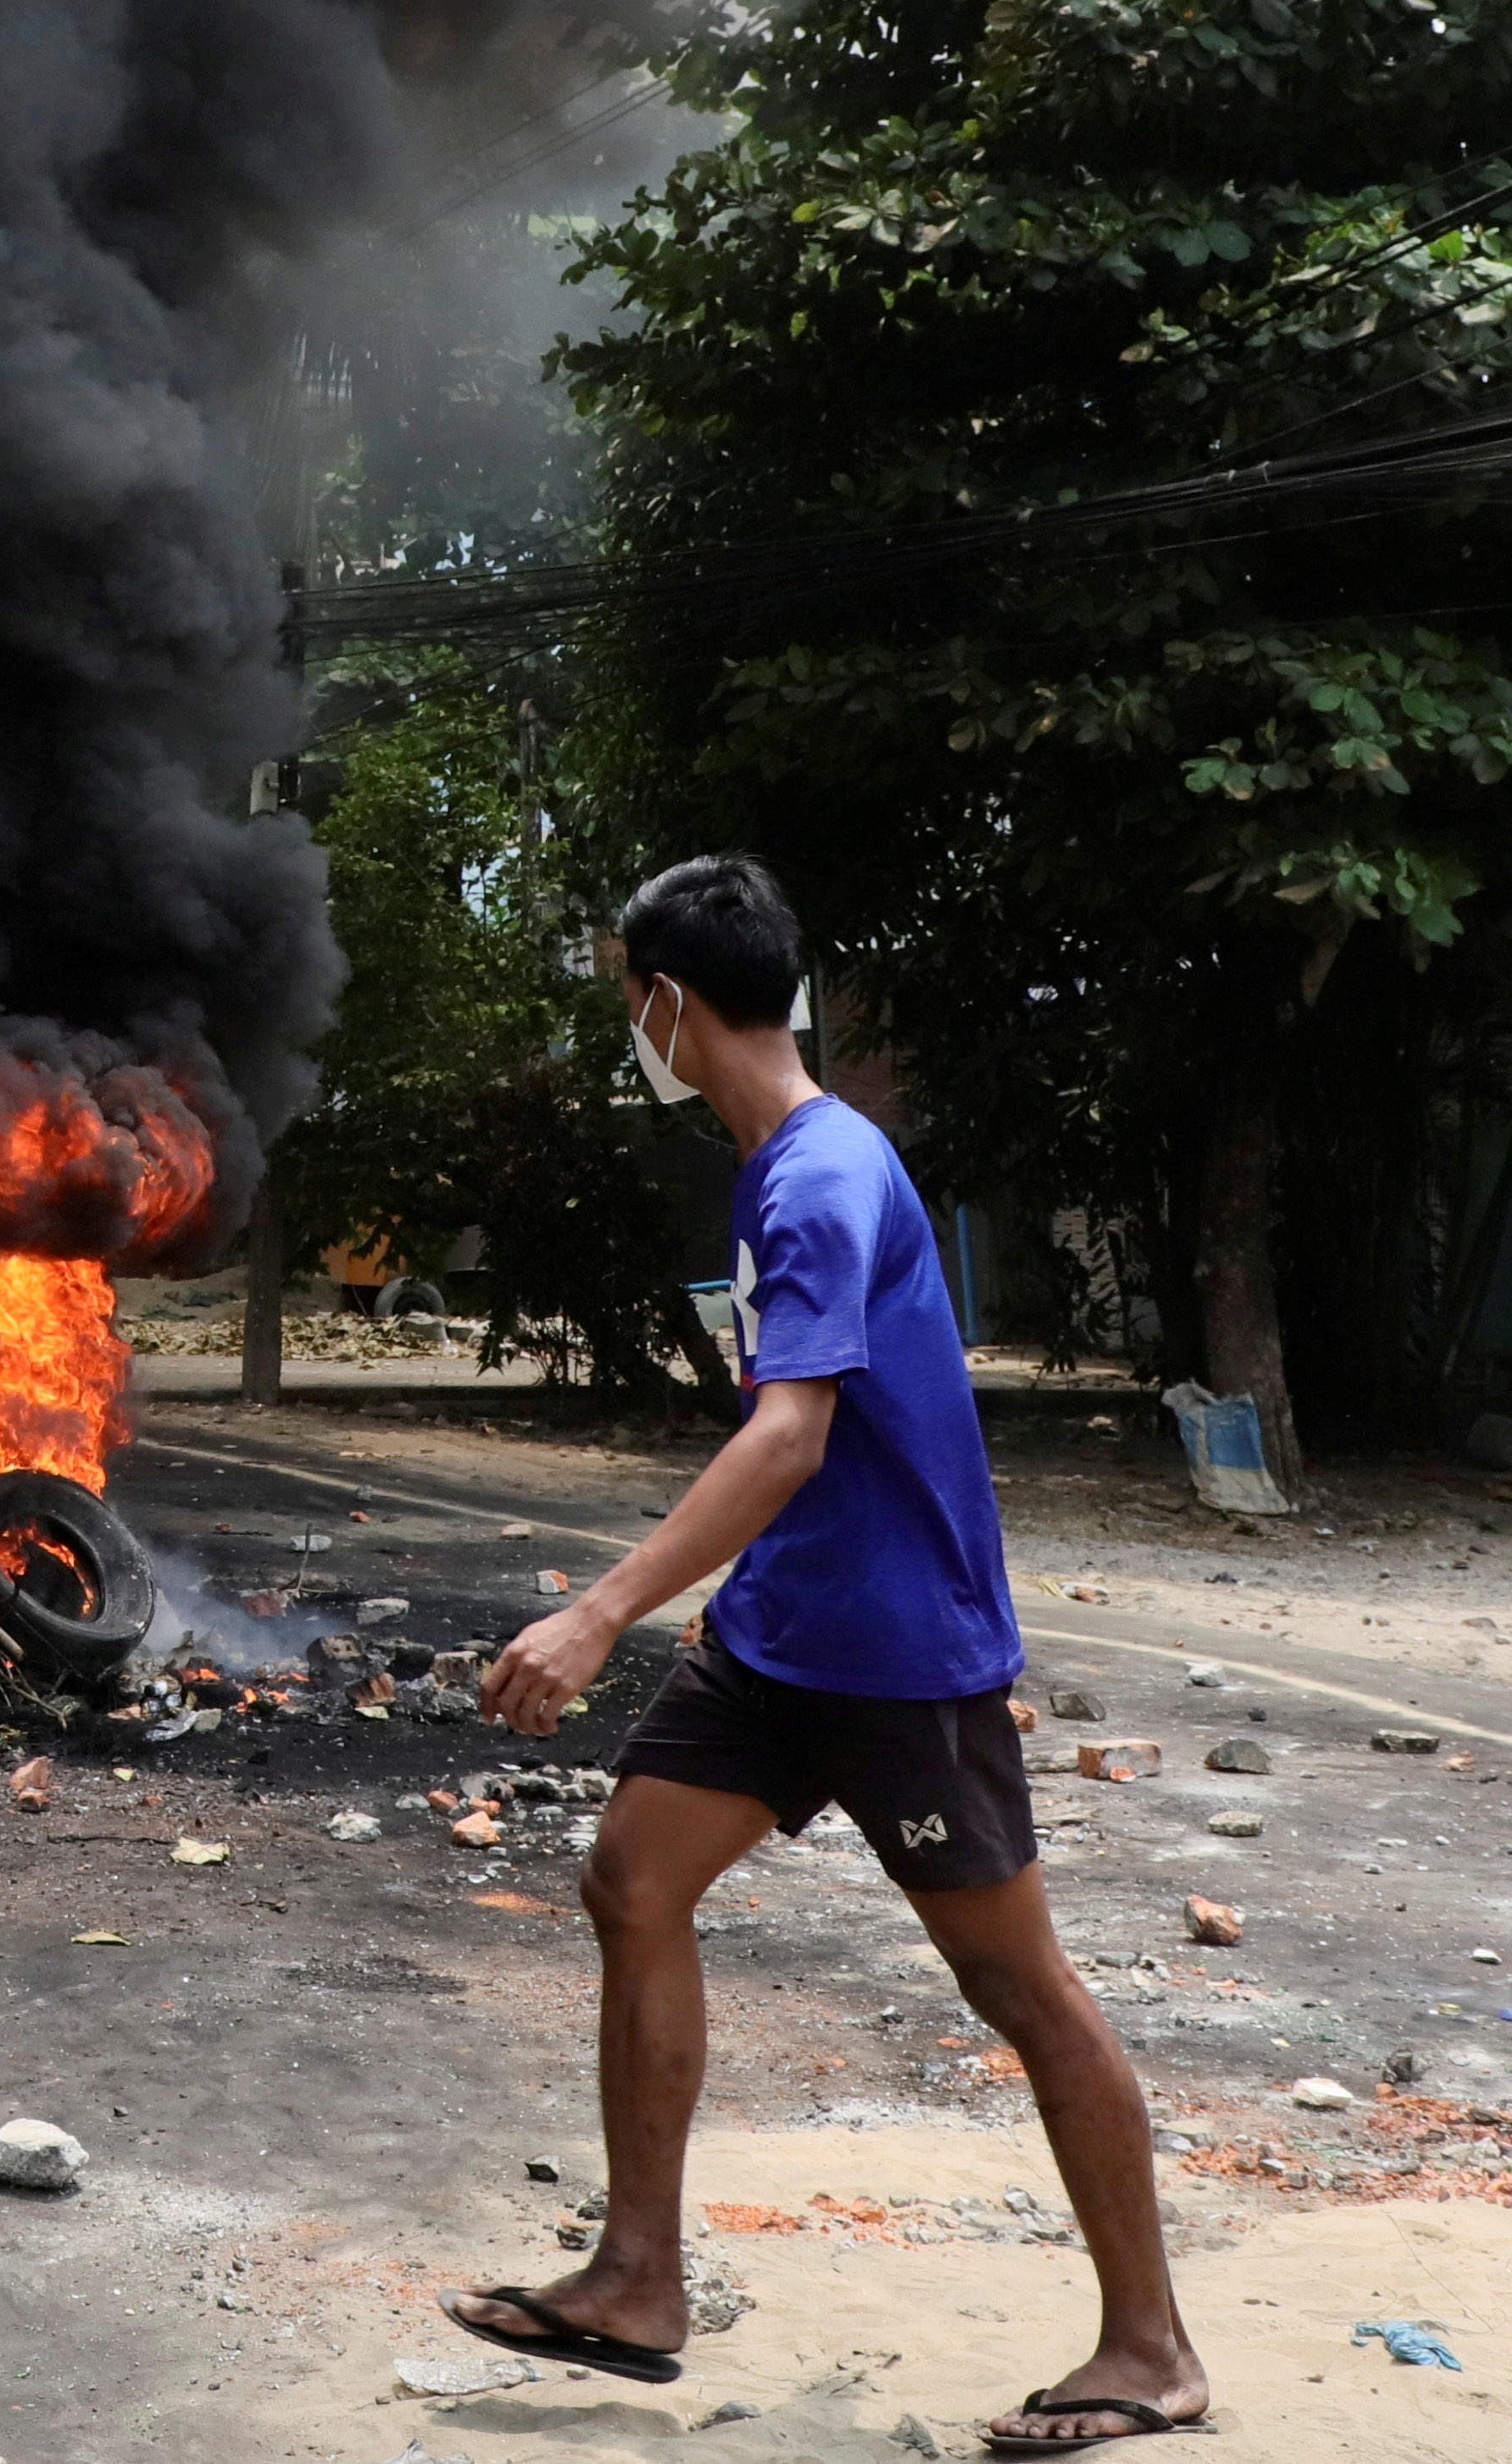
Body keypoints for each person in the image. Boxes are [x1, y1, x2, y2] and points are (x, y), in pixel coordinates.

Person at [445, 856, 1203, 2452]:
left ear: (664, 1001)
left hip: (903, 1654)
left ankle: (1150, 2347)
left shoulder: (819, 1178)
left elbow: (788, 1433)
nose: (627, 1027)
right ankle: (639, 2280)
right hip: (783, 1635)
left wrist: (597, 1612)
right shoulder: (781, 1161)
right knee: (632, 1877)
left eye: (623, 999)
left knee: (1018, 1984)